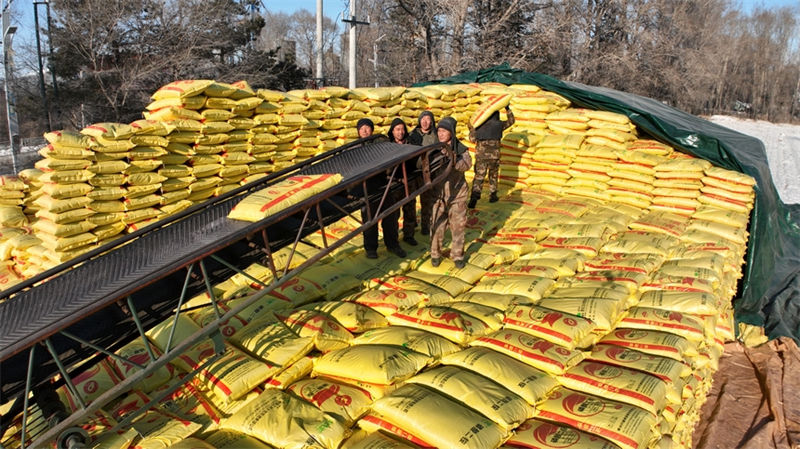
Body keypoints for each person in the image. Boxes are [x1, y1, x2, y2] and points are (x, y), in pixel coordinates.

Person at [354, 118, 406, 259]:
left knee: (390, 217)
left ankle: (393, 245)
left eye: (367, 128)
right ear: (358, 131)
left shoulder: (380, 143)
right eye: (362, 128)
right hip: (366, 190)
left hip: (384, 185)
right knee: (369, 220)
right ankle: (371, 248)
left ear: (372, 129)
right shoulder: (353, 149)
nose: (365, 131)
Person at [429, 116, 472, 269]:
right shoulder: (433, 149)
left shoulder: (461, 149)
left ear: (451, 133)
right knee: (437, 226)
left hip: (457, 195)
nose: (440, 134)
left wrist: (453, 159)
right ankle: (435, 254)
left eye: (444, 131)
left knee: (458, 227)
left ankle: (458, 255)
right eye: (439, 131)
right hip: (439, 195)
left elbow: (467, 165)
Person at [468, 106, 515, 208]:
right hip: (495, 156)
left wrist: (471, 127)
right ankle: (493, 195)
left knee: (479, 177)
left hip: (481, 156)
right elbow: (511, 121)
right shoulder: (499, 125)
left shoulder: (479, 126)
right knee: (493, 176)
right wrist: (508, 109)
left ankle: (474, 198)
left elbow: (472, 139)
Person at [387, 117, 418, 246]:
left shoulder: (410, 144)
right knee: (394, 213)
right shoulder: (387, 146)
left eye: (402, 129)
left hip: (409, 180)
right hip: (394, 183)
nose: (400, 132)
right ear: (392, 132)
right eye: (397, 129)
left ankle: (409, 235)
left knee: (410, 208)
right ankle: (393, 240)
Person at [408, 111, 437, 237]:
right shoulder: (412, 134)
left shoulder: (435, 135)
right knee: (410, 202)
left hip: (428, 173)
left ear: (432, 121)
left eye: (428, 119)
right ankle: (411, 225)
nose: (425, 122)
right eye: (423, 119)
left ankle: (425, 226)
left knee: (427, 200)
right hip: (413, 172)